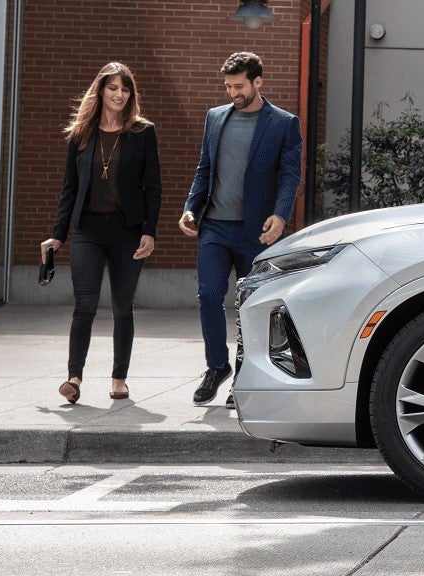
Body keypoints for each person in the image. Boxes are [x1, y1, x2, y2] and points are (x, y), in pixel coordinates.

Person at [179, 51, 302, 408]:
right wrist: (190, 208)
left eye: (239, 85)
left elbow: (290, 175)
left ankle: (243, 375)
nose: (233, 92)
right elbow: (205, 169)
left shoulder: (282, 123)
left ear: (257, 82)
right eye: (229, 86)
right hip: (215, 226)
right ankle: (216, 366)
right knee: (208, 297)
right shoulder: (215, 118)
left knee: (250, 307)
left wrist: (280, 216)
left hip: (256, 232)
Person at [43, 62, 162, 405]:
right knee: (85, 304)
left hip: (127, 231)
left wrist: (149, 232)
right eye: (113, 88)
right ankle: (74, 377)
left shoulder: (142, 132)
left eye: (125, 90)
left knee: (123, 306)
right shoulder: (81, 133)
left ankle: (119, 378)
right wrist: (58, 235)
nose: (119, 95)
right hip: (88, 231)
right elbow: (69, 189)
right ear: (101, 91)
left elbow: (153, 187)